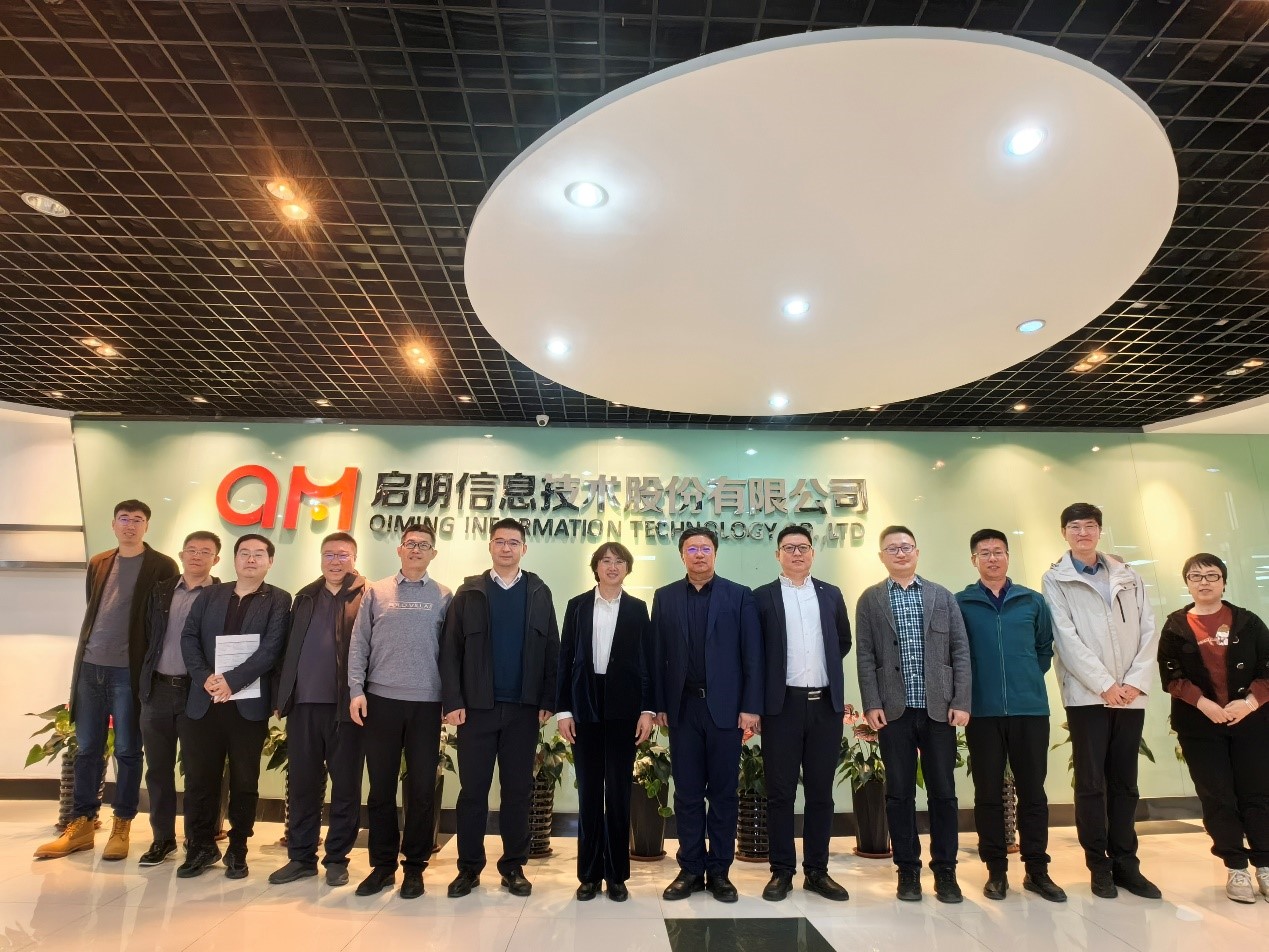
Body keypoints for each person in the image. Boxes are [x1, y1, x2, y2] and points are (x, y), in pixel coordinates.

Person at [35, 500, 177, 861]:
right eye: (123, 519)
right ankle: (82, 824)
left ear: (147, 526)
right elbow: (94, 607)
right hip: (89, 667)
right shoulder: (99, 561)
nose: (130, 525)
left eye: (137, 520)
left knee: (128, 750)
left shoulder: (162, 565)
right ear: (113, 524)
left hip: (127, 671)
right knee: (86, 749)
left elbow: (161, 622)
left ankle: (122, 824)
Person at [1042, 502, 1161, 900]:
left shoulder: (1128, 575)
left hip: (1129, 695)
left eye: (1089, 526)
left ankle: (1127, 862)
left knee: (1126, 782)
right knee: (1091, 784)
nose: (1083, 533)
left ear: (1100, 530)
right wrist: (1105, 684)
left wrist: (1134, 683)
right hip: (1087, 697)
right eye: (1074, 527)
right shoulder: (1056, 579)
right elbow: (1065, 639)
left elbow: (1149, 629)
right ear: (1064, 533)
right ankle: (1099, 865)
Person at [441, 518, 560, 899]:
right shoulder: (469, 592)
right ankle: (469, 868)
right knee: (472, 792)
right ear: (490, 546)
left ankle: (513, 867)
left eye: (513, 542)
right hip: (476, 710)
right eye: (500, 541)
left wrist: (548, 699)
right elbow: (450, 650)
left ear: (524, 548)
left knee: (518, 792)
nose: (506, 548)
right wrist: (453, 701)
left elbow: (552, 649)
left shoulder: (539, 591)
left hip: (524, 710)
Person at [855, 525, 971, 903]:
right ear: (882, 557)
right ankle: (907, 870)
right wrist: (872, 703)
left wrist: (961, 700)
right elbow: (866, 655)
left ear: (917, 552)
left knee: (944, 793)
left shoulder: (942, 596)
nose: (901, 553)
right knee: (899, 793)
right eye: (892, 548)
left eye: (906, 547)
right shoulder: (870, 599)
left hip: (939, 710)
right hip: (893, 712)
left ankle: (946, 871)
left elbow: (960, 650)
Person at [652, 526, 762, 904]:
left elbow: (752, 656)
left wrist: (750, 707)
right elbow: (657, 656)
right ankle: (689, 868)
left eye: (705, 548)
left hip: (726, 711)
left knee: (723, 794)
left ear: (715, 553)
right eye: (691, 549)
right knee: (686, 793)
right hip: (683, 709)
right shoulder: (665, 597)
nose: (699, 554)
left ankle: (719, 872)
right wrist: (659, 704)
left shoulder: (739, 595)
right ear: (681, 555)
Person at [955, 529, 1065, 902]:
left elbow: (1043, 649)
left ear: (1008, 556)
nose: (992, 558)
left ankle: (1037, 871)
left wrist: (1024, 677)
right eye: (984, 552)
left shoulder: (1032, 601)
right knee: (987, 793)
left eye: (998, 551)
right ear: (974, 560)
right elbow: (956, 654)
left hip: (1029, 709)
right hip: (982, 712)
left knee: (1033, 792)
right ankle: (996, 871)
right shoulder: (961, 603)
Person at [346, 524, 451, 899]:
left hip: (427, 705)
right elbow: (359, 642)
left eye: (424, 545)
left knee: (422, 790)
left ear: (433, 553)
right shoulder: (376, 591)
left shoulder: (444, 596)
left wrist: (451, 700)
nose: (416, 549)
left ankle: (415, 868)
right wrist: (356, 690)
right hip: (381, 702)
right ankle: (382, 866)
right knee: (381, 789)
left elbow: (451, 653)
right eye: (411, 543)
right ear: (399, 549)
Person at [176, 534, 289, 879]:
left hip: (247, 705)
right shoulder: (210, 595)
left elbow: (271, 649)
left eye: (259, 554)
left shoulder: (278, 599)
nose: (251, 559)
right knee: (199, 780)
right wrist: (204, 677)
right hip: (204, 701)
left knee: (244, 780)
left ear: (270, 562)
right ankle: (200, 846)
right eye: (244, 553)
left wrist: (232, 681)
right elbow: (189, 637)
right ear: (234, 558)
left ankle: (238, 848)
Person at [1158, 553, 1269, 904]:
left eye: (1211, 575)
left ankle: (1265, 865)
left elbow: (1267, 668)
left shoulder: (1248, 622)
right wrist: (1204, 705)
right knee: (1216, 794)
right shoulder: (1175, 625)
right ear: (1187, 583)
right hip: (1200, 726)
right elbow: (1171, 676)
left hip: (1251, 722)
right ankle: (1236, 867)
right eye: (1196, 576)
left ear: (1223, 582)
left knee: (1257, 793)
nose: (1204, 582)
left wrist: (1249, 703)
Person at [753, 525, 852, 902]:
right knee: (780, 793)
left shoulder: (830, 594)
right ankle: (781, 871)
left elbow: (842, 641)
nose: (797, 553)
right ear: (777, 554)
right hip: (781, 707)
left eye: (803, 547)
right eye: (789, 547)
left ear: (812, 553)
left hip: (825, 705)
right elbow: (755, 652)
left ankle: (817, 871)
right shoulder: (761, 597)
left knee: (820, 793)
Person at [556, 542, 654, 902]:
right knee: (589, 792)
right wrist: (563, 711)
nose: (612, 566)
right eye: (606, 561)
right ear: (595, 567)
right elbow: (565, 658)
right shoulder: (578, 605)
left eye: (619, 561)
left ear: (627, 568)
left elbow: (646, 663)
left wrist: (647, 709)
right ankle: (588, 875)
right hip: (585, 706)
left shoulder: (637, 609)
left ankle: (616, 875)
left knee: (618, 792)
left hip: (624, 709)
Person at [270, 532, 367, 887]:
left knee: (346, 788)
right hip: (303, 706)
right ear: (321, 558)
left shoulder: (368, 596)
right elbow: (286, 650)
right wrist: (281, 696)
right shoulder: (305, 597)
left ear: (354, 558)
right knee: (302, 785)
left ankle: (337, 858)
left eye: (343, 555)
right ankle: (301, 857)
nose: (335, 561)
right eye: (329, 554)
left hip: (347, 709)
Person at [136, 530, 221, 867]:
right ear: (182, 554)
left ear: (216, 559)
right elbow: (146, 635)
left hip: (196, 692)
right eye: (191, 550)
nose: (197, 556)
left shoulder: (222, 595)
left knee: (199, 771)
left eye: (205, 551)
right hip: (157, 689)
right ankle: (162, 839)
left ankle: (198, 841)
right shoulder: (161, 590)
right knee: (158, 769)